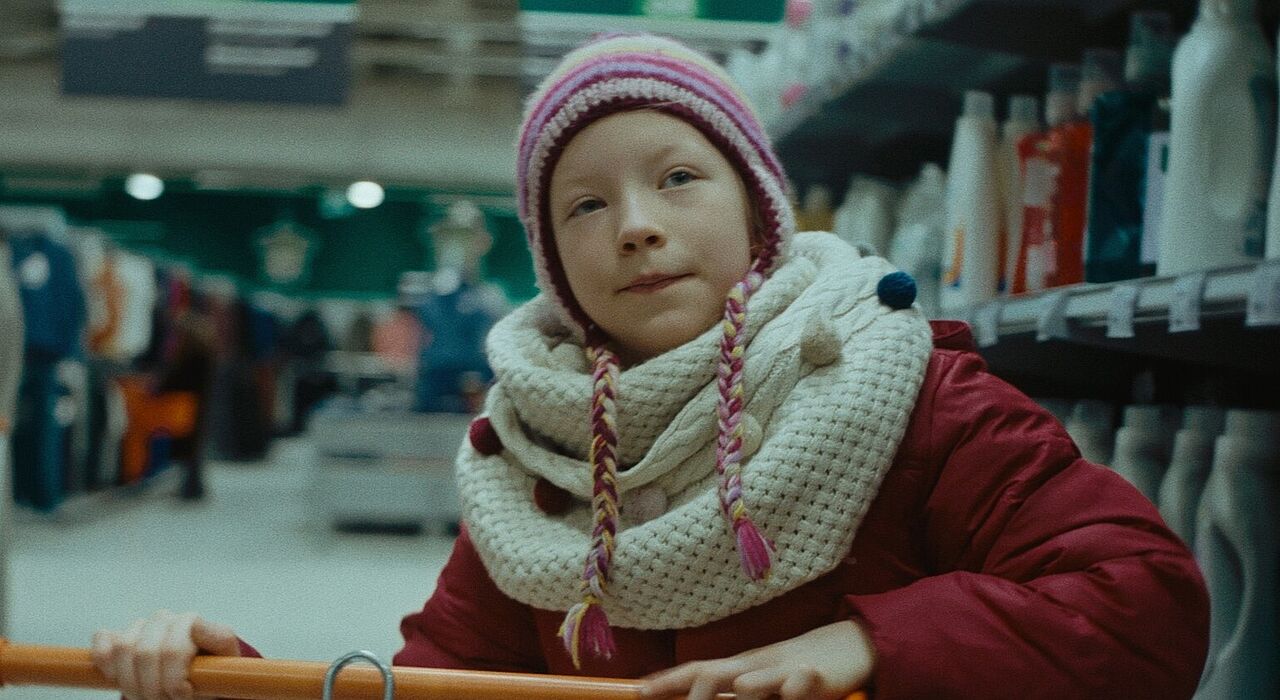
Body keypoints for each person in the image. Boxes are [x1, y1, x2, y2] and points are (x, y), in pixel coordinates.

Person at [90, 34, 1209, 700]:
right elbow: (441, 689)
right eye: (585, 205)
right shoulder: (535, 465)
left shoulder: (908, 394)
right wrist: (224, 675)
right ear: (554, 260)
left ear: (756, 209)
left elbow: (1144, 604)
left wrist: (869, 641)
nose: (634, 225)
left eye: (677, 178)